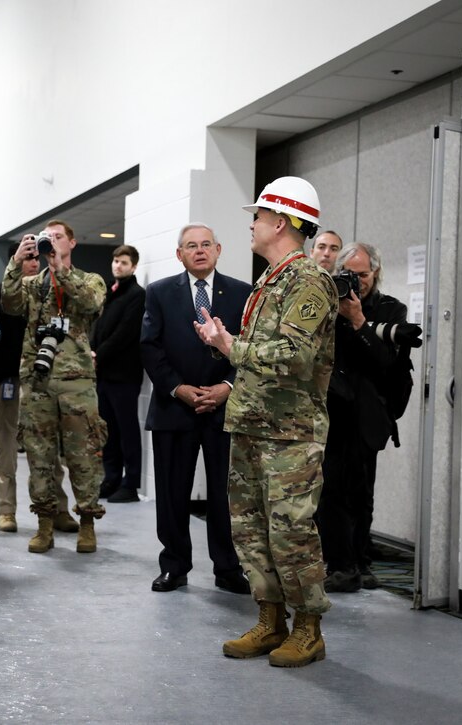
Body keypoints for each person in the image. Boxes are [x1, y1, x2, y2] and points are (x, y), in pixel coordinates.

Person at [195, 176, 337, 668]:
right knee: (252, 530)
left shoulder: (309, 280)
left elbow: (295, 355)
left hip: (290, 433)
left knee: (291, 532)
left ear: (279, 222)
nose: (251, 226)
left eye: (256, 217)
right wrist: (227, 343)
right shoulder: (271, 280)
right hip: (254, 425)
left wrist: (230, 346)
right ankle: (271, 619)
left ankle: (309, 628)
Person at [141, 224, 251, 595]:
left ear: (219, 249)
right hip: (175, 407)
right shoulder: (159, 293)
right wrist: (178, 388)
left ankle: (228, 567)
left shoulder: (242, 293)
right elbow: (149, 347)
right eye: (191, 246)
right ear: (179, 254)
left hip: (224, 408)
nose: (199, 251)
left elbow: (250, 348)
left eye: (206, 245)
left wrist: (226, 387)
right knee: (172, 493)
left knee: (225, 493)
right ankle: (174, 565)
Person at [317, 242, 418, 592]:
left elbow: (388, 363)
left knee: (361, 492)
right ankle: (339, 565)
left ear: (375, 272)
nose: (356, 281)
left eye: (362, 274)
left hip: (367, 413)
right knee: (330, 491)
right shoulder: (326, 305)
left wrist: (359, 320)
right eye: (349, 275)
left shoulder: (391, 309)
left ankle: (361, 562)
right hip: (330, 411)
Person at [1, 220, 107, 554]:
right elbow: (9, 302)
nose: (52, 242)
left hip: (77, 383)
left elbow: (91, 304)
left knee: (84, 455)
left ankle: (87, 523)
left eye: (58, 237)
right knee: (39, 456)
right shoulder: (34, 285)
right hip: (38, 380)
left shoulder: (90, 279)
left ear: (72, 243)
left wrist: (60, 269)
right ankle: (44, 524)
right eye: (47, 238)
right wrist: (15, 263)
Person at [0, 243, 79, 535]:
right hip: (9, 381)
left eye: (36, 259)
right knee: (7, 449)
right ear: (16, 260)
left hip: (43, 383)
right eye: (27, 258)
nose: (33, 264)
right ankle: (7, 511)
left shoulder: (49, 294)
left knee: (50, 450)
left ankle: (58, 509)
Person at [90, 244, 145, 504]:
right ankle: (111, 478)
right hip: (104, 374)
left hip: (124, 375)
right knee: (108, 430)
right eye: (115, 261)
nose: (117, 266)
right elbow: (98, 327)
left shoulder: (136, 295)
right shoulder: (110, 294)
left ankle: (130, 483)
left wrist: (97, 355)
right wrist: (91, 351)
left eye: (123, 262)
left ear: (133, 266)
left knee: (127, 430)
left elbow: (125, 333)